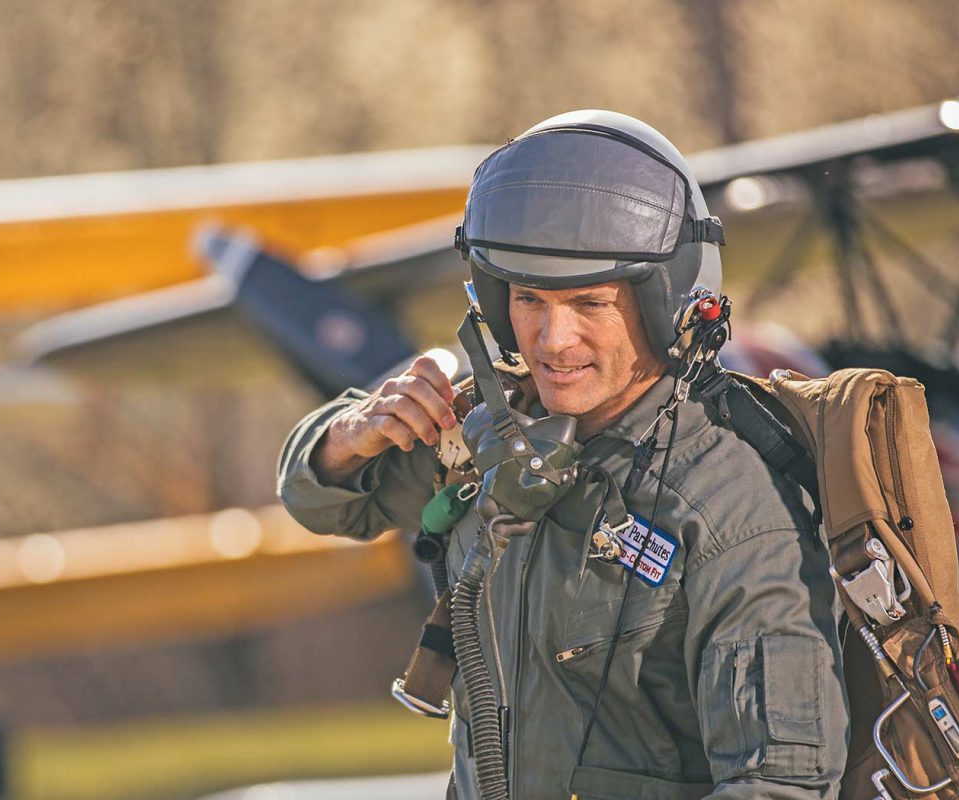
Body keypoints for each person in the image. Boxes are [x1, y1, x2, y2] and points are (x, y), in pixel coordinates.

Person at [276, 110, 847, 799]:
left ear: (666, 303)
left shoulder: (734, 509)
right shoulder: (489, 436)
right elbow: (317, 501)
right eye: (527, 298)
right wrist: (355, 432)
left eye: (590, 303)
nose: (552, 338)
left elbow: (778, 783)